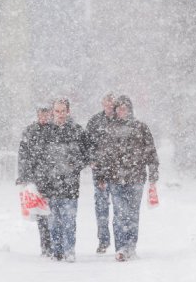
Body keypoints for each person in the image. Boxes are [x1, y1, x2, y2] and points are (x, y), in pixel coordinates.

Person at [93, 95, 159, 262]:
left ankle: (131, 246)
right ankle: (121, 247)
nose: (121, 111)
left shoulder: (141, 128)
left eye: (124, 108)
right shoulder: (109, 129)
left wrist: (153, 174)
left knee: (132, 214)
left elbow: (151, 153)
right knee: (119, 214)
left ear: (130, 109)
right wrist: (100, 175)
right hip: (115, 179)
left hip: (136, 178)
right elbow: (103, 155)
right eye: (118, 108)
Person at [45, 98, 89, 262]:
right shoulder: (46, 132)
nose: (60, 114)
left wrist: (75, 164)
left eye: (63, 111)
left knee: (69, 220)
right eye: (57, 111)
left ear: (68, 111)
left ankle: (69, 250)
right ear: (52, 112)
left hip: (70, 184)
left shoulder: (77, 131)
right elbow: (39, 158)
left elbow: (87, 154)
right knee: (54, 221)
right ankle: (57, 251)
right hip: (51, 185)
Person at [16, 105, 53, 257]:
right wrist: (24, 176)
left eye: (46, 115)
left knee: (54, 213)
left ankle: (54, 244)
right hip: (37, 178)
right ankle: (45, 246)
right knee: (41, 214)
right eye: (41, 115)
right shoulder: (30, 132)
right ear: (37, 115)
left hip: (53, 178)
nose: (44, 118)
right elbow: (23, 155)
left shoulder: (55, 130)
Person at [86, 92, 115, 254]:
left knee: (120, 209)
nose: (109, 107)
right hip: (100, 171)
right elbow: (87, 143)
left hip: (119, 171)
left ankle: (120, 240)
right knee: (101, 207)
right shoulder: (95, 121)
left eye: (112, 104)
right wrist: (92, 160)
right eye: (107, 103)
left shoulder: (121, 120)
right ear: (102, 104)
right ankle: (103, 240)